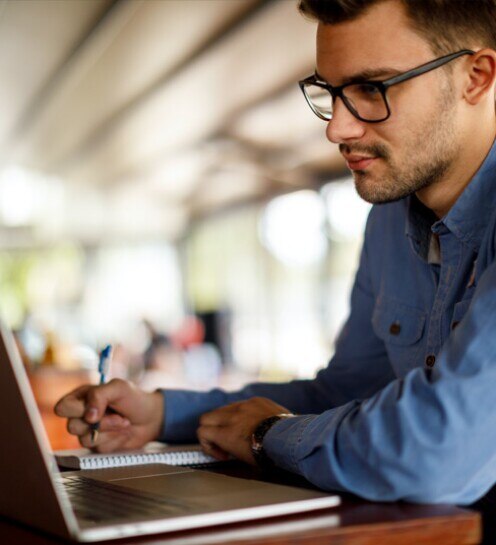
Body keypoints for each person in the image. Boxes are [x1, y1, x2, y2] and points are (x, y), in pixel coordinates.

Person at [55, 0, 496, 507]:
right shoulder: (390, 220)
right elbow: (348, 396)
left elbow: (437, 450)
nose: (337, 129)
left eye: (372, 89)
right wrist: (163, 413)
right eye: (331, 93)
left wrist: (267, 436)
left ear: (476, 77)